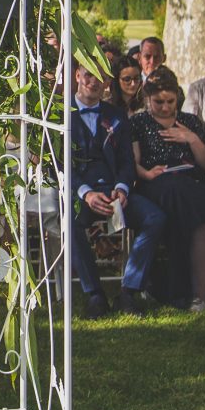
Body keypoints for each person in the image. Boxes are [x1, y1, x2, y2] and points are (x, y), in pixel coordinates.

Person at [131, 72, 205, 312]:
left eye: (170, 101)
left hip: (194, 182)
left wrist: (192, 139)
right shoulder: (138, 123)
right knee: (175, 187)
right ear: (148, 99)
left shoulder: (190, 121)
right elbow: (134, 162)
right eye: (159, 102)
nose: (166, 107)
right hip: (156, 183)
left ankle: (199, 296)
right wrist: (147, 174)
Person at [67, 63, 163, 317]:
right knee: (70, 222)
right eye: (89, 75)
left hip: (115, 194)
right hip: (82, 196)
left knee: (154, 217)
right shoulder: (60, 115)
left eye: (101, 77)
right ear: (77, 75)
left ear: (108, 82)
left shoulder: (116, 115)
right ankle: (94, 295)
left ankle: (128, 291)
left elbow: (127, 162)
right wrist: (86, 193)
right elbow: (58, 166)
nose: (94, 82)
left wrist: (122, 189)